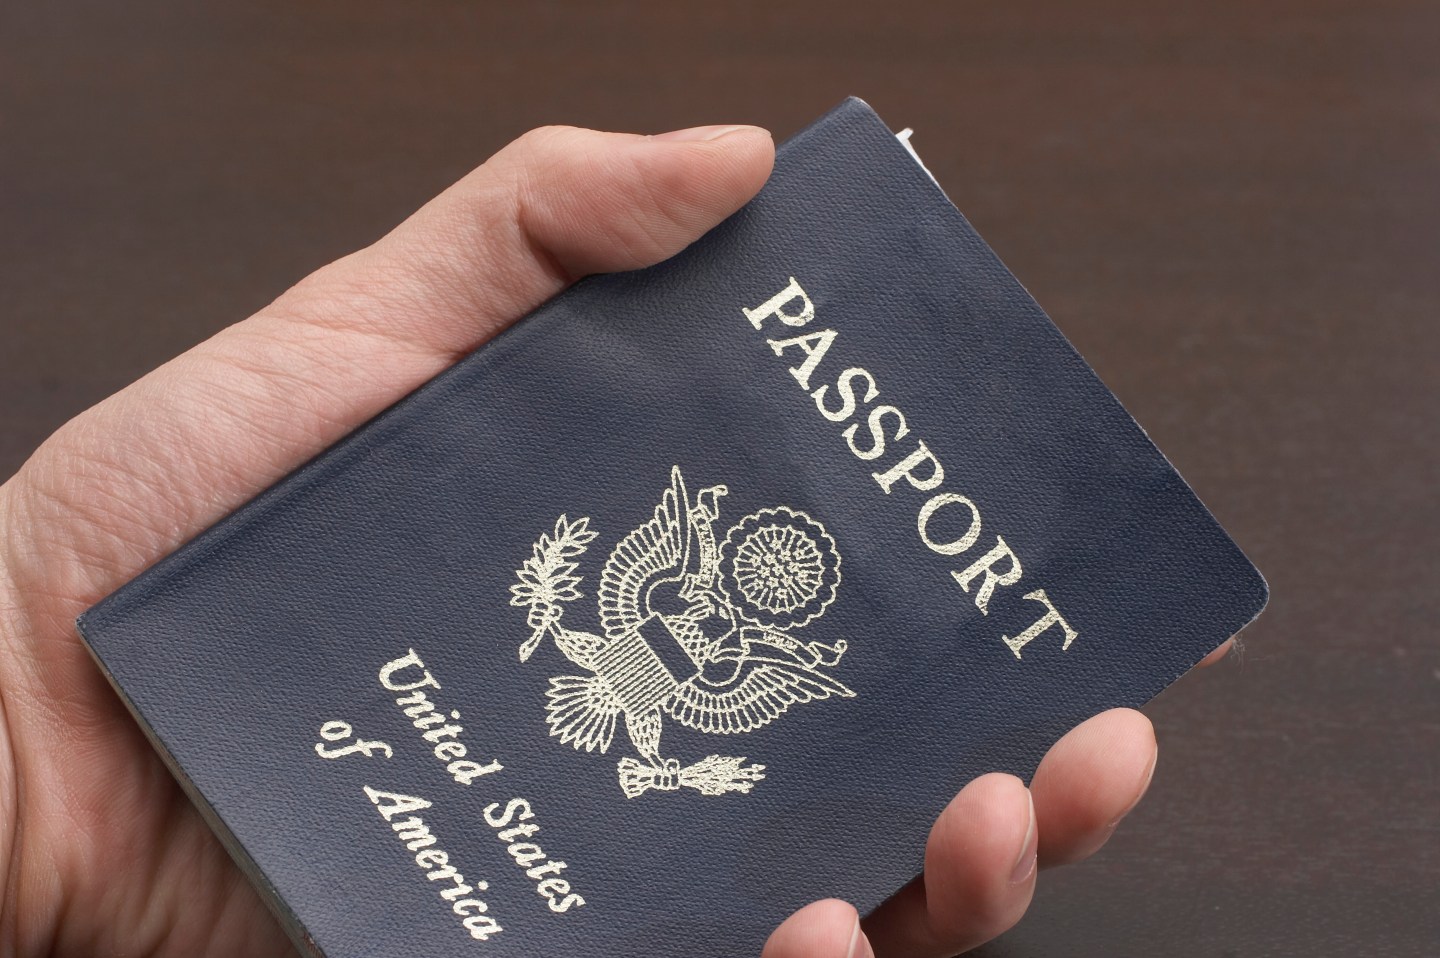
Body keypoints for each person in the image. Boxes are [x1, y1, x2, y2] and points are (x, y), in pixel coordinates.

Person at [0, 123, 1227, 957]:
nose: (716, 620)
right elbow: (657, 595)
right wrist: (30, 745)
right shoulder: (682, 597)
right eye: (726, 604)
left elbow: (695, 640)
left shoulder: (720, 646)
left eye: (740, 622)